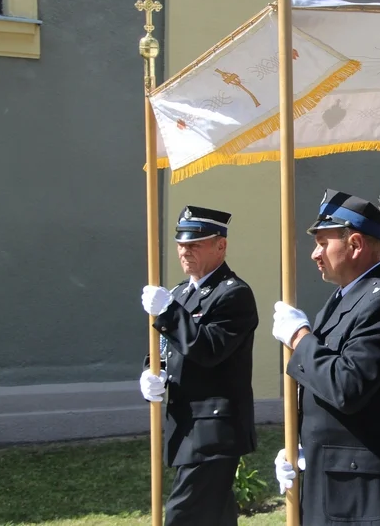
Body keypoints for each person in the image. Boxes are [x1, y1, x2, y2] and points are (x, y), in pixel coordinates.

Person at [272, 189, 380, 526]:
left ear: (355, 245)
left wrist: (300, 337)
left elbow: (347, 386)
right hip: (334, 484)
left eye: (323, 243)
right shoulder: (345, 299)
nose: (315, 254)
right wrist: (299, 447)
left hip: (364, 496)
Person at [138, 205, 259, 526]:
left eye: (195, 244)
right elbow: (167, 347)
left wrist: (168, 312)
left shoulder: (233, 295)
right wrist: (154, 372)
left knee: (184, 515)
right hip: (186, 427)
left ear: (220, 245)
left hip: (214, 431)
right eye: (181, 244)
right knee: (214, 517)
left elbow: (208, 349)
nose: (185, 251)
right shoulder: (179, 293)